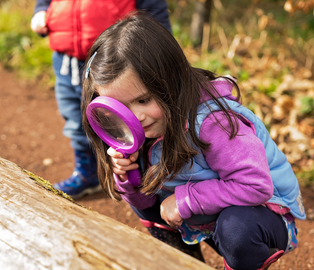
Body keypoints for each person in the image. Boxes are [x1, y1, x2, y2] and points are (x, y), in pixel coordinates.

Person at [81, 12, 306, 270]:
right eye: (120, 108)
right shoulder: (143, 129)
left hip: (262, 212)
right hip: (203, 215)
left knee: (236, 229)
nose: (136, 117)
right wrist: (127, 178)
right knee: (147, 203)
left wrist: (184, 200)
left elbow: (255, 186)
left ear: (172, 81)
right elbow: (145, 202)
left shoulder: (214, 122)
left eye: (143, 100)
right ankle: (185, 264)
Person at [30, 0, 172, 199]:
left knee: (128, 117)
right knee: (74, 115)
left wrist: (159, 48)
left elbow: (153, 9)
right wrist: (41, 11)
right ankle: (88, 172)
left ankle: (148, 175)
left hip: (116, 63)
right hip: (65, 59)